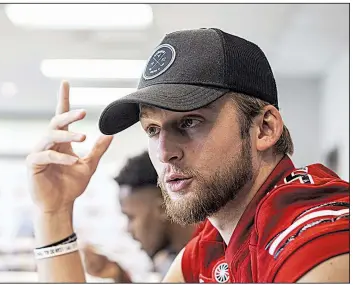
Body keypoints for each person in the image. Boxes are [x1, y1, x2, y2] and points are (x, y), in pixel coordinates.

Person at [26, 28, 349, 283]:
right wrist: (53, 214)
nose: (165, 152)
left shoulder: (316, 241)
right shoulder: (215, 239)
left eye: (189, 122)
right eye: (152, 129)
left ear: (264, 129)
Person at [81, 151, 196, 282]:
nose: (128, 229)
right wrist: (119, 276)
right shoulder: (171, 260)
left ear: (162, 209)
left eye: (131, 217)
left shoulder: (211, 256)